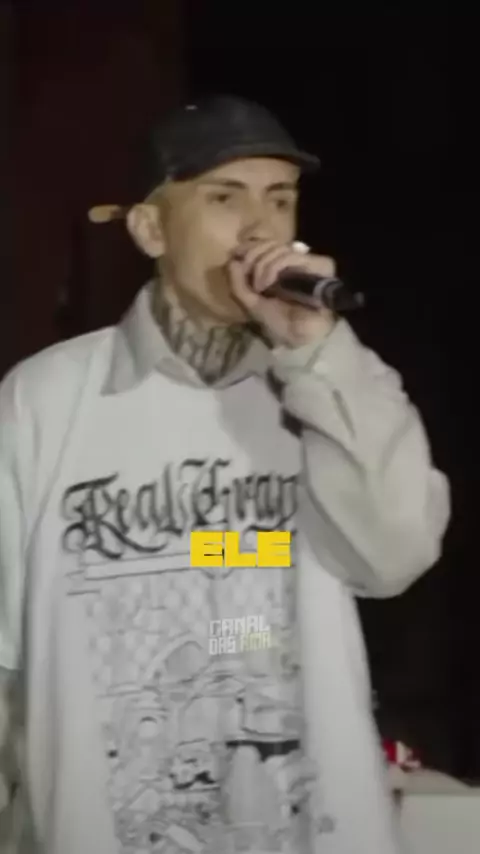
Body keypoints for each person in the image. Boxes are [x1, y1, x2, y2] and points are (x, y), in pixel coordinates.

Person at [0, 95, 450, 854]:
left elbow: (395, 554)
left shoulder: (330, 386)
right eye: (224, 198)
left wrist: (318, 355)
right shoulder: (45, 400)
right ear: (151, 229)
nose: (259, 229)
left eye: (280, 199)